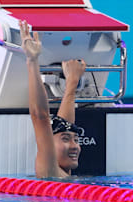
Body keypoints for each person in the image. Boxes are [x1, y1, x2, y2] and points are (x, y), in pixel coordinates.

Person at [19, 20, 86, 178]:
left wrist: (72, 82)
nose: (74, 146)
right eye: (65, 139)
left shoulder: (64, 177)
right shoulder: (49, 172)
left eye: (76, 140)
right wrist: (32, 61)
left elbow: (65, 125)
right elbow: (40, 116)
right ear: (48, 143)